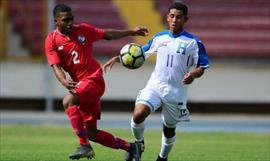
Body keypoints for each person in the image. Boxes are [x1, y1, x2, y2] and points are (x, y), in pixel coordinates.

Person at [103, 2, 209, 161]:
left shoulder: (194, 43)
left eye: (179, 17)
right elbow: (139, 53)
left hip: (176, 91)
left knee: (169, 129)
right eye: (172, 16)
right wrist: (119, 59)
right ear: (167, 18)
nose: (174, 20)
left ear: (185, 20)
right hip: (155, 86)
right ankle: (138, 145)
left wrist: (193, 75)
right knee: (138, 114)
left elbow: (202, 66)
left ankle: (162, 158)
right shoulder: (159, 38)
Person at [44, 4, 148, 161]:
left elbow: (109, 34)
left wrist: (132, 32)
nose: (70, 23)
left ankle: (84, 146)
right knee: (90, 132)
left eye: (71, 19)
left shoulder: (84, 30)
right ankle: (132, 148)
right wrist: (63, 80)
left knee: (68, 101)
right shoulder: (51, 40)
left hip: (94, 79)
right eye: (65, 20)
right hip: (82, 86)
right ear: (56, 21)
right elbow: (56, 66)